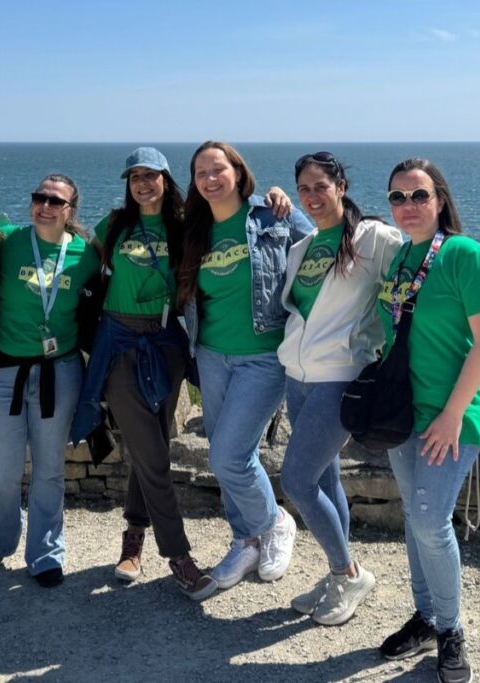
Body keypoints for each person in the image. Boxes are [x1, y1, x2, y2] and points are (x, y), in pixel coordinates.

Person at [70, 147, 217, 600]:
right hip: (118, 346)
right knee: (152, 453)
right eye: (134, 176)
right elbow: (73, 254)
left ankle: (132, 538)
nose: (142, 183)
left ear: (166, 180)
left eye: (151, 175)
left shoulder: (184, 226)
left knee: (153, 443)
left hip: (166, 343)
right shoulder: (114, 226)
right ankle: (179, 557)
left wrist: (277, 199)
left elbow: (234, 228)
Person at [376, 159, 480, 683]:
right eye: (397, 197)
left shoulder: (462, 255)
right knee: (415, 515)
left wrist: (453, 415)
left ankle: (450, 629)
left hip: (452, 414)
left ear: (441, 199)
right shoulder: (401, 259)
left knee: (430, 520)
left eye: (418, 195)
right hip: (406, 411)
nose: (408, 207)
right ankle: (426, 617)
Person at [176, 141, 313, 590]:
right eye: (200, 172)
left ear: (238, 171)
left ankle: (275, 524)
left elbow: (321, 253)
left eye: (218, 169)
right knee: (231, 452)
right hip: (211, 355)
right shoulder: (193, 230)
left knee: (228, 454)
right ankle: (246, 539)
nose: (210, 178)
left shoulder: (272, 216)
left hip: (265, 356)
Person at [278, 152, 402, 625]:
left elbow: (424, 260)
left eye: (320, 187)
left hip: (340, 378)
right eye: (303, 189)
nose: (312, 197)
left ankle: (348, 573)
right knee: (326, 478)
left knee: (296, 479)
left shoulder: (373, 239)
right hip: (299, 377)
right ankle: (338, 574)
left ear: (341, 186)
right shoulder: (303, 246)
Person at [0, 174, 100, 588]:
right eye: (39, 197)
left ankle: (46, 553)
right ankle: (0, 539)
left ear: (70, 211)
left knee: (49, 469)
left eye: (55, 200)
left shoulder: (86, 254)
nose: (45, 206)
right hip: (3, 373)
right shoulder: (7, 240)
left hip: (59, 372)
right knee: (1, 472)